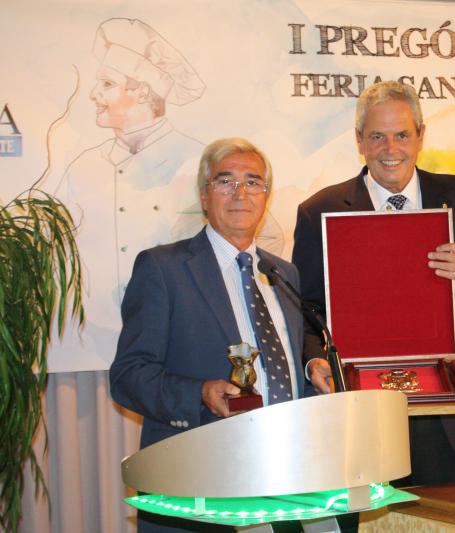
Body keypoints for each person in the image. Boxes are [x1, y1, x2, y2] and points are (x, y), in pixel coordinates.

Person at [292, 80, 455, 485]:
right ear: (359, 140)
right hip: (364, 410)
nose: (390, 148)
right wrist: (314, 361)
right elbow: (306, 310)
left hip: (451, 408)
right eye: (377, 136)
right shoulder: (320, 211)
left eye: (401, 135)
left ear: (420, 136)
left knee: (452, 517)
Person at [110, 138, 308, 532]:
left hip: (287, 477)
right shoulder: (163, 268)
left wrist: (312, 368)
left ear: (266, 196)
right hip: (199, 482)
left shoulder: (283, 274)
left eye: (253, 182)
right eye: (225, 181)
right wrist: (199, 393)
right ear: (204, 195)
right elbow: (128, 376)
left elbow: (285, 364)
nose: (240, 193)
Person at [55, 18, 206, 370]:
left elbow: (259, 243)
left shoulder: (200, 161)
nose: (94, 94)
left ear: (142, 92)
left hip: (184, 345)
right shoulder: (84, 166)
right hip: (98, 347)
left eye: (107, 83)